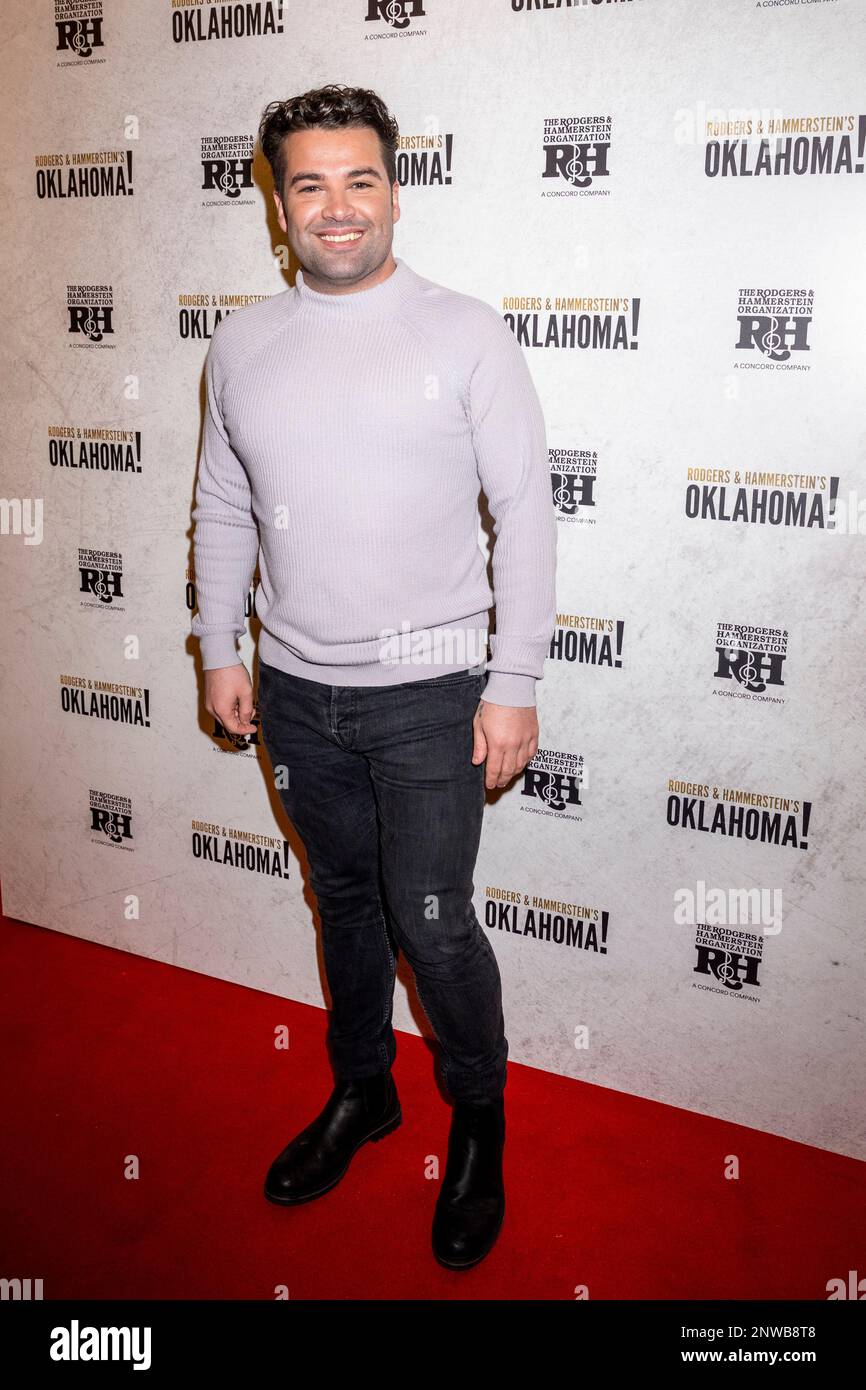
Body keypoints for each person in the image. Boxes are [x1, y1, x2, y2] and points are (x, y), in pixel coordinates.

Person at [191, 84, 557, 1270]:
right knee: (341, 905)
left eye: (359, 180)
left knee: (434, 923)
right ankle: (366, 1089)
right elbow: (222, 505)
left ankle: (479, 1116)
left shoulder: (465, 333)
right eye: (308, 182)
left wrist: (514, 680)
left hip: (431, 695)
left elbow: (526, 513)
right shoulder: (240, 343)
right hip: (294, 691)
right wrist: (215, 647)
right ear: (275, 200)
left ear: (395, 189)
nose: (336, 207)